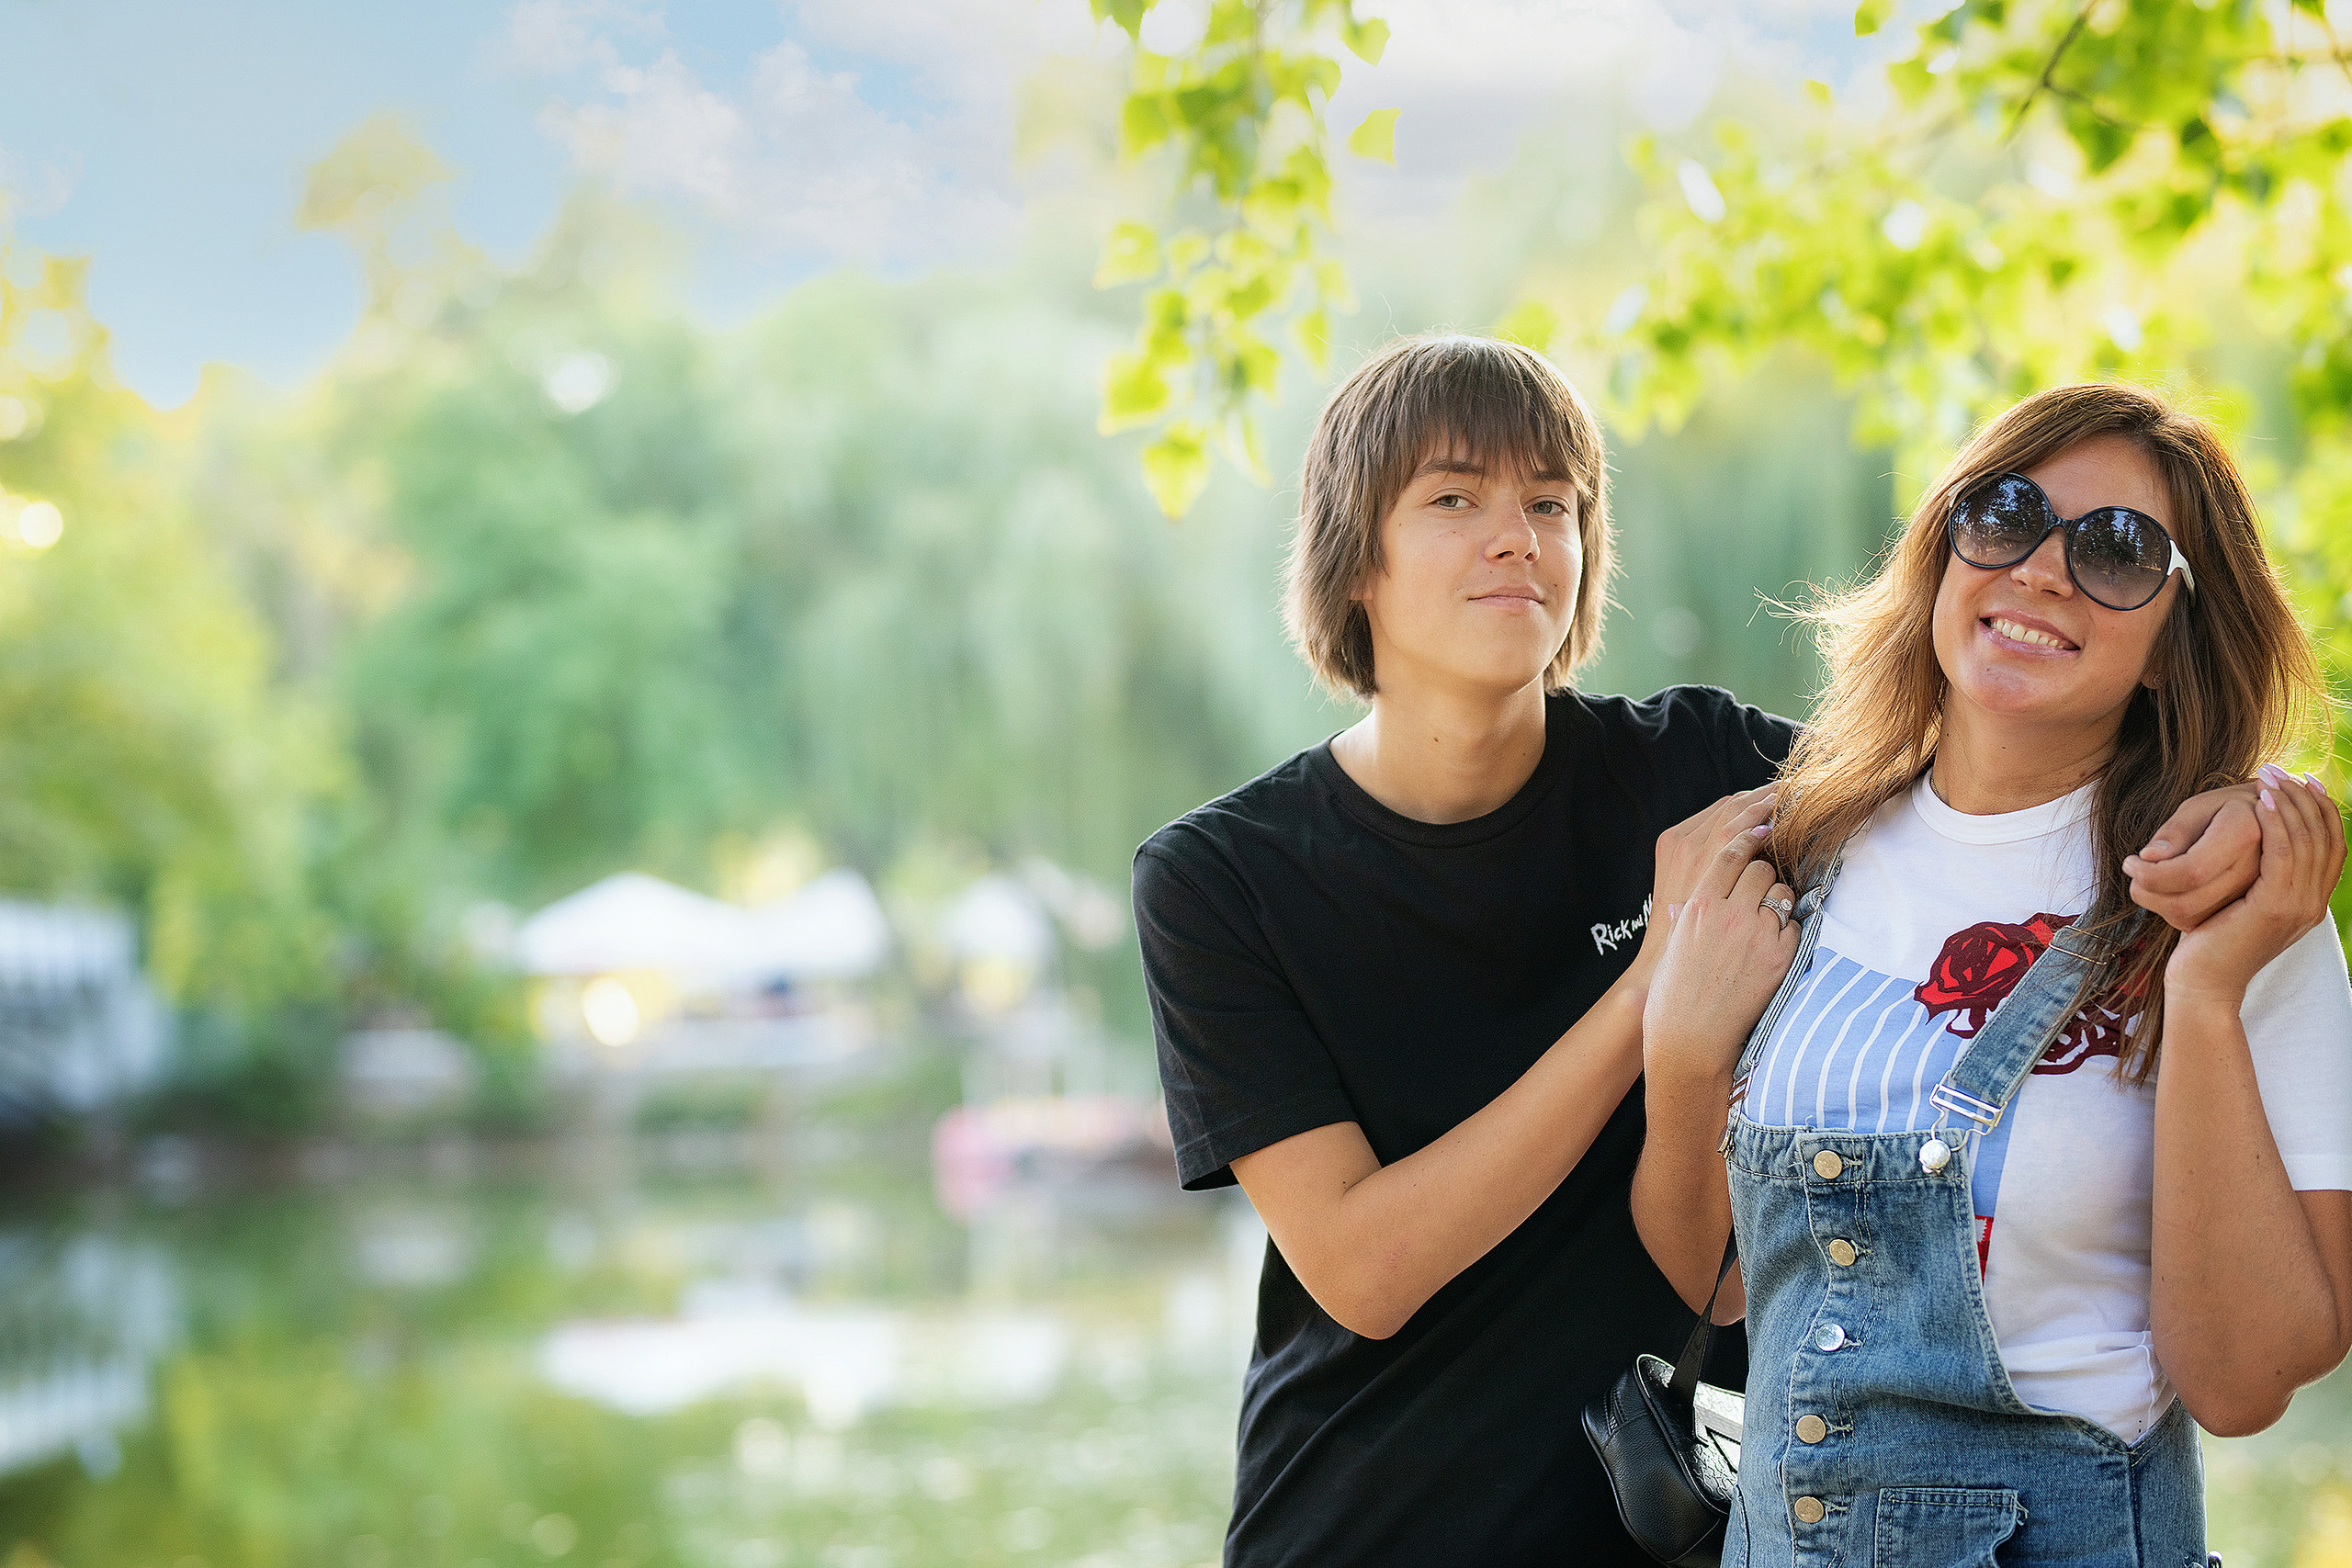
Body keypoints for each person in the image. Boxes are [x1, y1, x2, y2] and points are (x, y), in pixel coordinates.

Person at [1132, 340, 2263, 1564]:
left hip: (1689, 1525)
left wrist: (2239, 808)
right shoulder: (1220, 878)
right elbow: (1365, 1266)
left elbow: (1995, 771)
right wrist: (1653, 988)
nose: (1516, 535)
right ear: (1357, 554)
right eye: (1456, 498)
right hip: (1364, 1521)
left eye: (1552, 502)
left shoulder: (1706, 768)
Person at [1634, 382, 2352, 1564]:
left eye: (2119, 551)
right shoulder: (1803, 855)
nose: (2041, 571)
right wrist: (1680, 1048)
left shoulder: (2238, 903)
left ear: (2177, 640)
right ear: (1942, 550)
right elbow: (1720, 1288)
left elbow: (2242, 1385)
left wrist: (2207, 996)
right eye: (2006, 512)